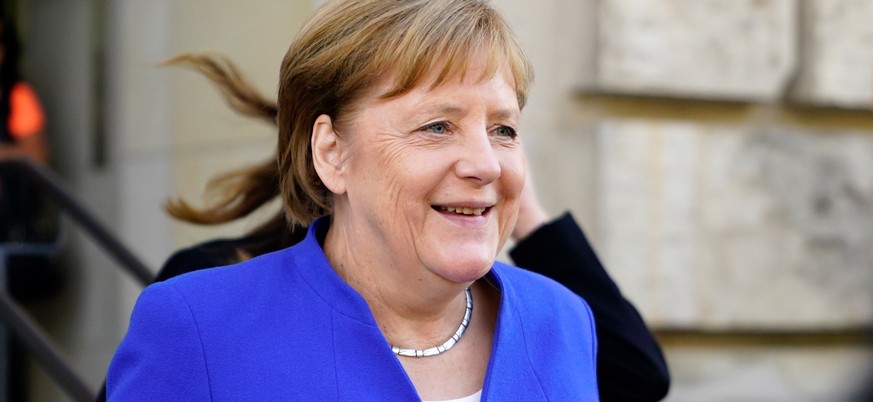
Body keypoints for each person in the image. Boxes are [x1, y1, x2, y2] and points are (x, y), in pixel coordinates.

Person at [109, 0, 611, 399]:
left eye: (503, 129)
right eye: (437, 126)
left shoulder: (563, 321)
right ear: (332, 152)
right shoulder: (198, 326)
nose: (486, 164)